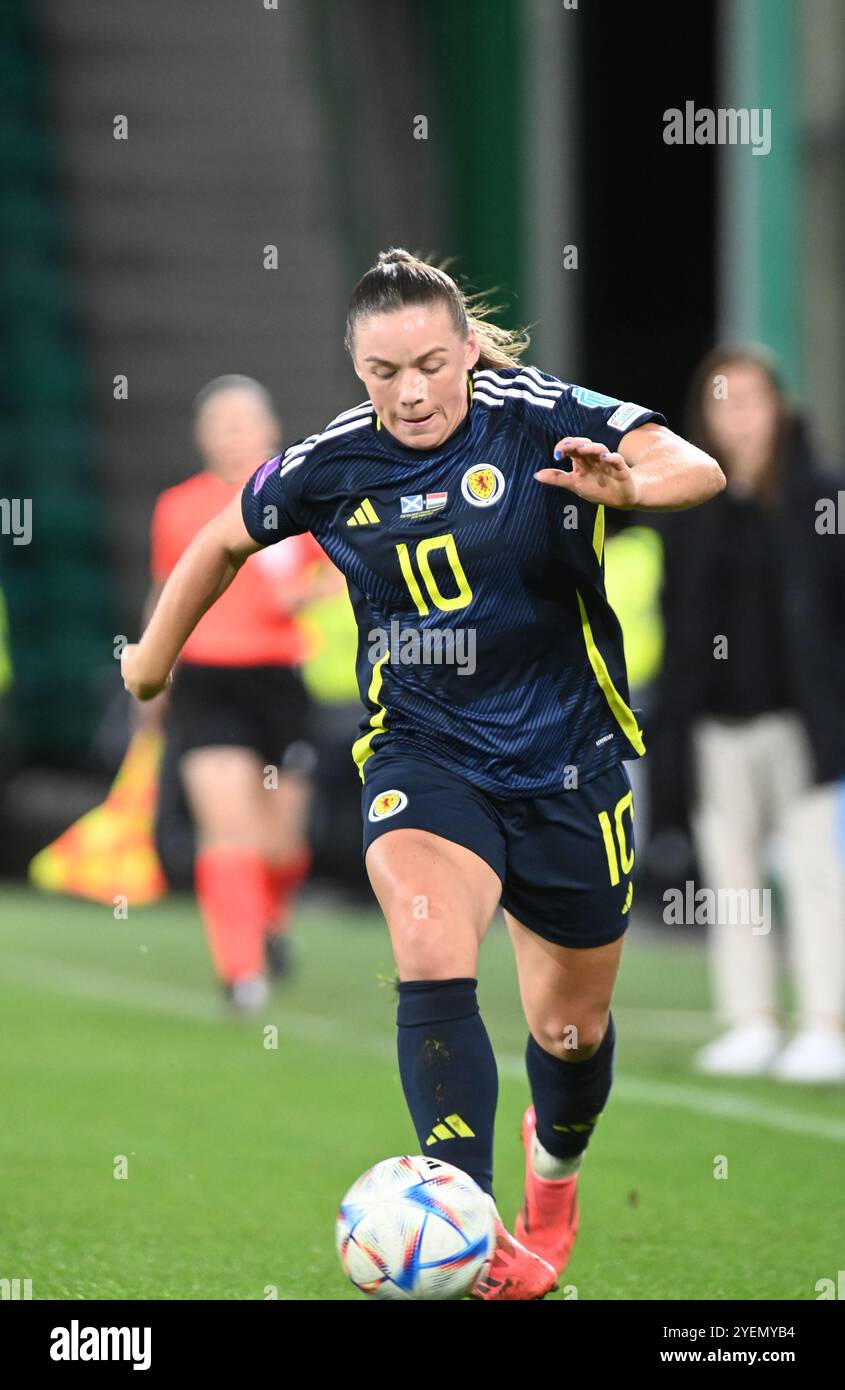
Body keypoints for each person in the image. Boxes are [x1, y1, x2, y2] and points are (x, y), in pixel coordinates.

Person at [121, 249, 724, 1299]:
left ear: (466, 354)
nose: (407, 391)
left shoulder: (533, 412)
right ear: (355, 368)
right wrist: (151, 658)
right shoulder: (333, 459)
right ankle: (464, 1213)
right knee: (425, 938)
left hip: (567, 762)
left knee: (567, 1031)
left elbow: (694, 463)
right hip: (422, 750)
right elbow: (223, 537)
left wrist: (636, 485)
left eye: (429, 365)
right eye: (381, 370)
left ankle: (554, 1169)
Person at [654, 345, 845, 1082]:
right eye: (721, 402)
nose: (737, 417)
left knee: (813, 872)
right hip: (713, 725)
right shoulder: (687, 506)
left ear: (779, 409)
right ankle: (749, 1020)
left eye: (751, 401)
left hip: (801, 723)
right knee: (730, 879)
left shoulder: (820, 495)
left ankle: (824, 1021)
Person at [139, 375, 340, 1011]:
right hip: (207, 678)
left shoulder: (298, 504)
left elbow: (341, 577)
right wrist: (151, 668)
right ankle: (241, 973)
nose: (232, 434)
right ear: (202, 437)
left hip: (278, 682)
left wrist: (303, 595)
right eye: (220, 424)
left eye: (243, 422)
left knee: (281, 843)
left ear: (269, 430)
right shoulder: (178, 506)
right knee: (229, 829)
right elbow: (166, 591)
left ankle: (270, 917)